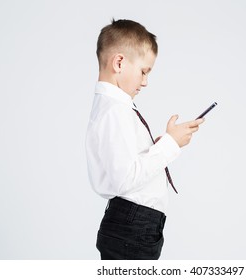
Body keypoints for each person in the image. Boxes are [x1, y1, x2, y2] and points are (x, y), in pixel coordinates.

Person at [85, 19, 204, 260]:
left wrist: (161, 145)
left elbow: (127, 164)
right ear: (119, 62)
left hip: (135, 225)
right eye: (143, 71)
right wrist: (170, 144)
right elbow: (125, 178)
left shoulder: (115, 107)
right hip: (133, 227)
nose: (145, 81)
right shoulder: (115, 110)